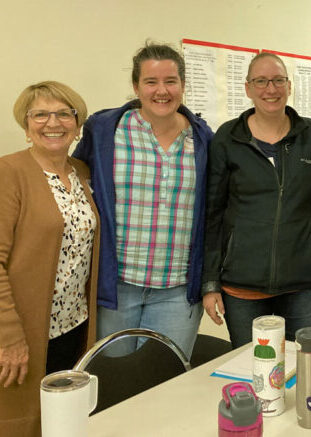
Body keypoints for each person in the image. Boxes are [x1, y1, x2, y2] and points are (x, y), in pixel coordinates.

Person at [73, 43, 213, 358]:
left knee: (167, 381)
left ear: (182, 85)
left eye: (170, 81)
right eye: (151, 82)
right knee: (114, 382)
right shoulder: (104, 130)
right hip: (117, 287)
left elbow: (213, 213)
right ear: (136, 86)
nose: (161, 91)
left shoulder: (204, 140)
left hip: (177, 291)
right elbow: (76, 185)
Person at [201, 52, 311, 347]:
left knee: (305, 366)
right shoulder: (227, 138)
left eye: (278, 81)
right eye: (261, 81)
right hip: (241, 286)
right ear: (248, 88)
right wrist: (210, 284)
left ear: (289, 85)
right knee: (250, 368)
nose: (270, 89)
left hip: (302, 285)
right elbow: (213, 214)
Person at [0, 81, 99, 436]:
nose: (51, 122)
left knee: (63, 423)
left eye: (62, 113)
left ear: (77, 123)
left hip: (74, 326)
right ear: (26, 126)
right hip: (23, 331)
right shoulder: (9, 173)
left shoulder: (82, 173)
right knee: (20, 423)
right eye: (39, 114)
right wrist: (8, 338)